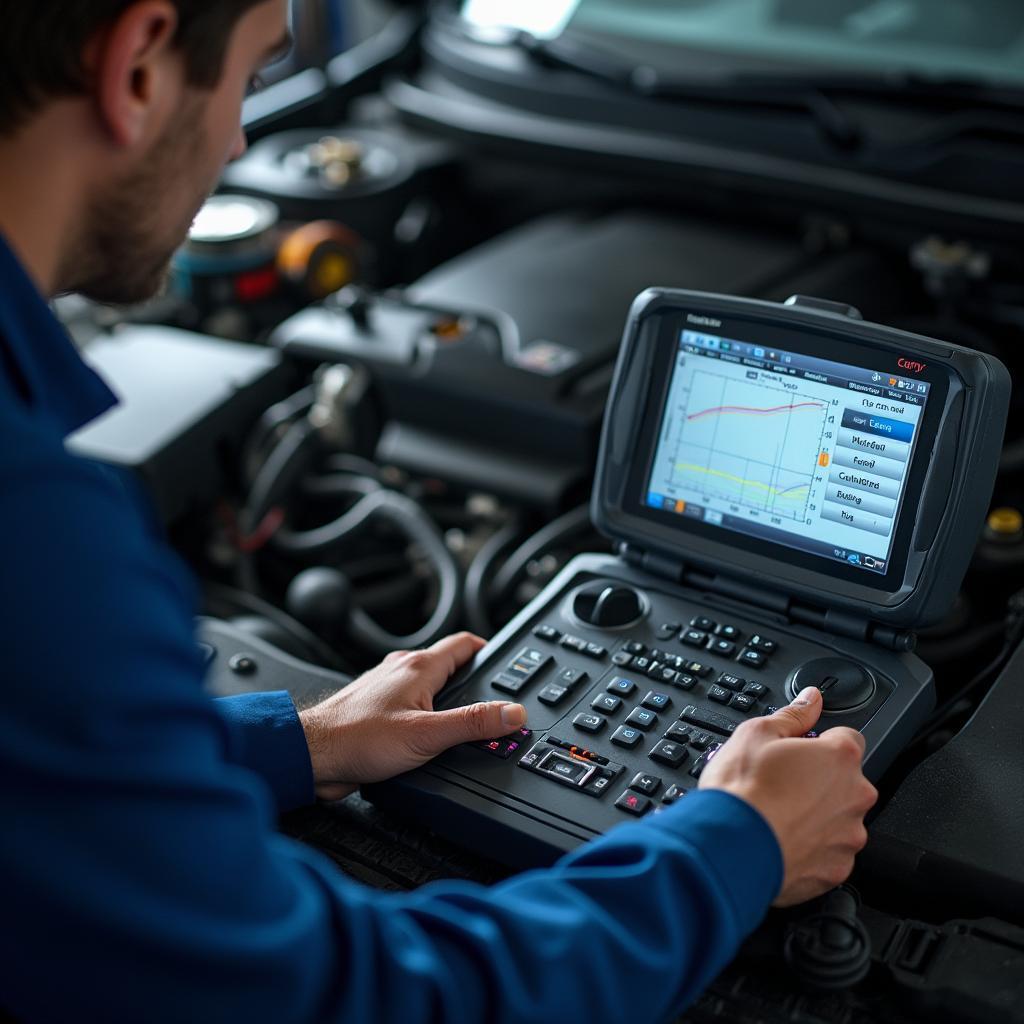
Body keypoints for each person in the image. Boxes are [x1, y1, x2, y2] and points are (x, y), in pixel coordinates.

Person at [0, 2, 878, 1021]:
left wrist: (300, 740)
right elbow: (358, 1002)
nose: (240, 139)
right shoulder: (38, 533)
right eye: (247, 78)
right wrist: (734, 842)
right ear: (140, 68)